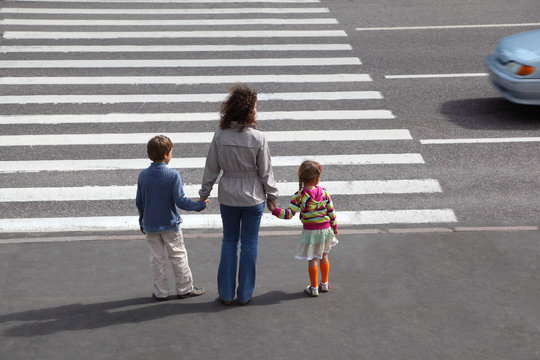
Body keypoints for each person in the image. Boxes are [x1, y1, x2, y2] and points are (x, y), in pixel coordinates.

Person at [199, 84, 278, 306]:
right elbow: (265, 172)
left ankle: (225, 294)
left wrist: (204, 194)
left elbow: (211, 168)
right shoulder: (258, 138)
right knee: (250, 244)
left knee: (229, 241)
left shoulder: (220, 136)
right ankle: (244, 294)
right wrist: (271, 197)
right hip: (253, 196)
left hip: (228, 195)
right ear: (249, 111)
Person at [136, 135, 209, 301]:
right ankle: (184, 289)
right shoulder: (173, 175)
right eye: (171, 152)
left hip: (150, 226)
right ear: (165, 155)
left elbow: (139, 202)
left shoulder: (143, 176)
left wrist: (141, 221)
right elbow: (180, 201)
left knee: (156, 260)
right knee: (178, 256)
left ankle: (161, 292)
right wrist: (200, 205)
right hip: (170, 224)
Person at [267, 160, 339, 297]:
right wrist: (334, 227)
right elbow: (331, 212)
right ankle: (324, 283)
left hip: (310, 232)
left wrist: (273, 210)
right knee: (324, 256)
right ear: (316, 179)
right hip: (325, 230)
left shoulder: (299, 196)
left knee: (312, 259)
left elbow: (288, 214)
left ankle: (314, 287)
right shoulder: (324, 193)